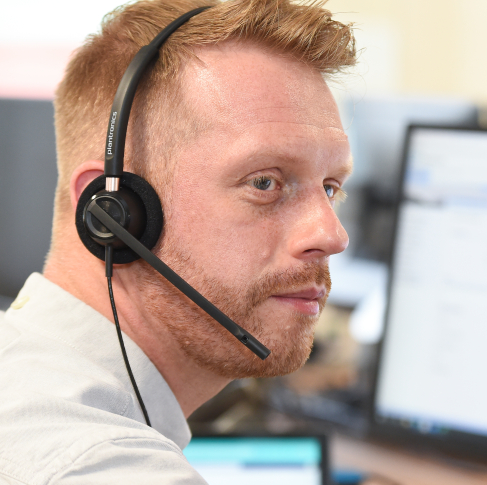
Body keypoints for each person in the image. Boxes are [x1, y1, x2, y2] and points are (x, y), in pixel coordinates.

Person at [0, 0, 356, 482]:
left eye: (330, 188)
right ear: (113, 212)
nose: (332, 235)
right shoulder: (100, 466)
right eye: (265, 182)